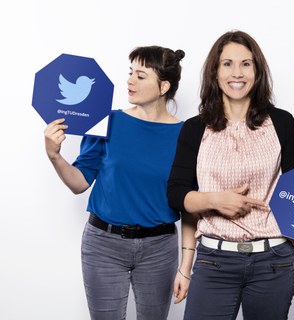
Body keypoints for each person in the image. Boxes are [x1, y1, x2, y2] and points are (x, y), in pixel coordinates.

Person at [44, 45, 190, 320]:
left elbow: (188, 201)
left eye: (141, 75)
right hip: (103, 245)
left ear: (163, 86)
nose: (130, 81)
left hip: (159, 248)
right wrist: (54, 155)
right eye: (130, 72)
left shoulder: (185, 134)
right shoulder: (106, 121)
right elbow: (79, 183)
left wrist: (186, 264)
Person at [167, 30, 294, 320]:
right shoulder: (194, 128)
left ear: (257, 70)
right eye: (227, 64)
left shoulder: (281, 122)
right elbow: (176, 193)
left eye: (246, 64)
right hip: (214, 261)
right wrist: (215, 200)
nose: (237, 73)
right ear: (215, 72)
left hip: (273, 263)